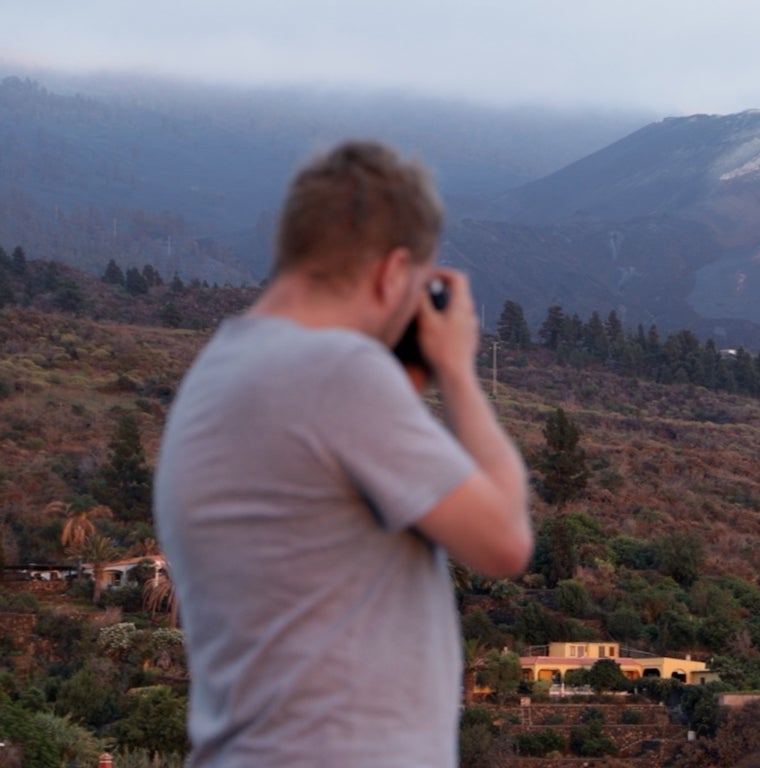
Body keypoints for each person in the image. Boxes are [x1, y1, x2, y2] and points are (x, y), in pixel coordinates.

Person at [154, 141, 532, 767]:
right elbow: (503, 541)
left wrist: (403, 376)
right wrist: (459, 372)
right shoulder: (335, 372)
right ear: (392, 273)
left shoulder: (221, 371)